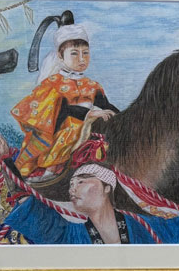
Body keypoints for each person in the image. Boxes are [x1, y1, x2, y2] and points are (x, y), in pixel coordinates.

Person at [0, 134, 179, 245]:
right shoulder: (68, 235)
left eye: (82, 181)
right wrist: (7, 162)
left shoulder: (145, 227)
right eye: (71, 184)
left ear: (107, 187)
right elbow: (27, 204)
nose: (73, 188)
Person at [10, 24, 118, 180]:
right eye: (74, 53)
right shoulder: (53, 83)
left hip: (87, 127)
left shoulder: (92, 86)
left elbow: (106, 107)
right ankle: (50, 170)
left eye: (85, 53)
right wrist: (89, 113)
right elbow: (60, 111)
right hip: (61, 129)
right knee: (70, 131)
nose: (82, 59)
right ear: (60, 56)